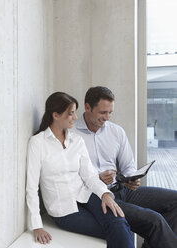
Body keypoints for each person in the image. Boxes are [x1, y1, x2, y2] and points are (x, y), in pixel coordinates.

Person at [73, 86, 177, 248]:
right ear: (87, 107)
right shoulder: (71, 134)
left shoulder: (116, 132)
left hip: (122, 189)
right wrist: (98, 178)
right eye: (102, 113)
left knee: (174, 200)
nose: (107, 117)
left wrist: (131, 178)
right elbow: (68, 174)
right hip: (97, 197)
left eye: (110, 112)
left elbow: (128, 166)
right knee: (155, 219)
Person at [26, 92, 134, 247]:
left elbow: (89, 175)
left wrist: (105, 194)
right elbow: (31, 187)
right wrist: (37, 225)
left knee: (119, 225)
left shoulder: (76, 140)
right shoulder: (37, 143)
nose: (75, 118)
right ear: (56, 115)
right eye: (70, 114)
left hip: (87, 195)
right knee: (118, 232)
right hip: (63, 209)